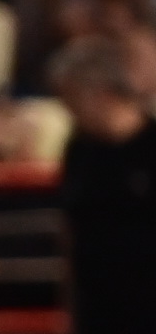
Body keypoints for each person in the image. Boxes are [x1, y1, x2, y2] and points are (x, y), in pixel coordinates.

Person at [54, 34, 156, 334]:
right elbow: (69, 228)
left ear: (98, 93)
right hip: (95, 305)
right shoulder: (79, 149)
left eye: (71, 98)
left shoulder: (151, 147)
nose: (68, 110)